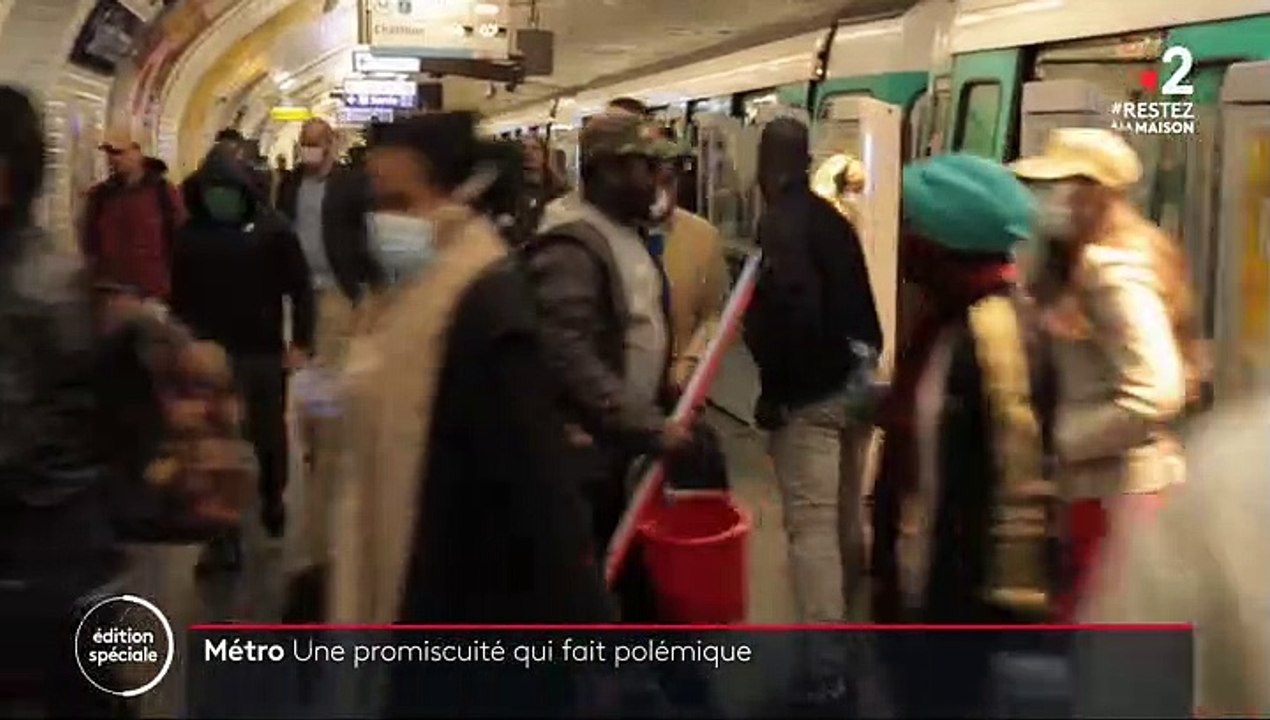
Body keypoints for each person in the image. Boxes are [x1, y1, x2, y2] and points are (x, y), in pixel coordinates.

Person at [327, 111, 613, 714]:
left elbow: (541, 487)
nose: (385, 220)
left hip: (464, 615)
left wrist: (589, 637)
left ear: (459, 195)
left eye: (400, 199)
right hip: (418, 593)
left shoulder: (488, 303)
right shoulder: (397, 297)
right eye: (378, 200)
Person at [1010, 128, 1201, 620]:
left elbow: (1156, 392)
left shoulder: (1111, 270)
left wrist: (1061, 440)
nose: (1051, 200)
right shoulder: (1111, 258)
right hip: (1108, 494)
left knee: (1109, 655)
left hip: (1117, 498)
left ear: (1095, 192)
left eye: (1062, 185)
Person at [525, 111, 694, 620]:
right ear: (607, 171)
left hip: (622, 450)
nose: (658, 182)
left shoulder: (621, 231)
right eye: (647, 168)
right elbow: (566, 352)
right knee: (592, 591)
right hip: (590, 456)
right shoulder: (572, 244)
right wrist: (643, 424)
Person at [0, 85, 124, 718]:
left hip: (42, 555)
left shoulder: (38, 290)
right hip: (70, 552)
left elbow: (17, 439)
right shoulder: (56, 275)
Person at [745, 117, 882, 624]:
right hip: (859, 380)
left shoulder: (780, 222)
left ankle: (827, 666)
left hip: (814, 394)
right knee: (848, 516)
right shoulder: (832, 219)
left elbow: (796, 308)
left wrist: (779, 392)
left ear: (766, 164)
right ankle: (855, 630)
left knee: (813, 528)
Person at [1079, 393, 1270, 717]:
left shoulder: (1222, 478)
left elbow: (1127, 686)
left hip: (1114, 483)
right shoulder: (1225, 475)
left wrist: (1070, 435)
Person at [169, 141, 315, 549]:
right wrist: (181, 347)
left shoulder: (273, 230)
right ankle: (222, 535)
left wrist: (302, 340)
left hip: (262, 351)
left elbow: (300, 289)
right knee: (217, 444)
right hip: (210, 356)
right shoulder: (190, 237)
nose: (219, 198)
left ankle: (272, 498)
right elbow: (178, 296)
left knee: (268, 434)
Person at [275, 116, 383, 586]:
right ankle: (318, 437)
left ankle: (328, 440)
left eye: (316, 144)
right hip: (297, 297)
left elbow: (366, 235)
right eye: (304, 145)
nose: (309, 152)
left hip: (338, 294)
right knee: (310, 374)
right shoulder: (289, 186)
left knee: (326, 378)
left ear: (332, 145)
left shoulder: (351, 186)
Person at [652, 148, 730, 395]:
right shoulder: (611, 235)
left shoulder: (702, 236)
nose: (660, 194)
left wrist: (691, 359)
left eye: (667, 182)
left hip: (680, 388)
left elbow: (716, 315)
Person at [81, 127, 187, 302]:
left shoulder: (163, 193)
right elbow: (90, 242)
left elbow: (179, 237)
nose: (112, 159)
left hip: (152, 293)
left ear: (138, 152)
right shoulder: (100, 196)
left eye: (118, 152)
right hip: (110, 293)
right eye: (108, 153)